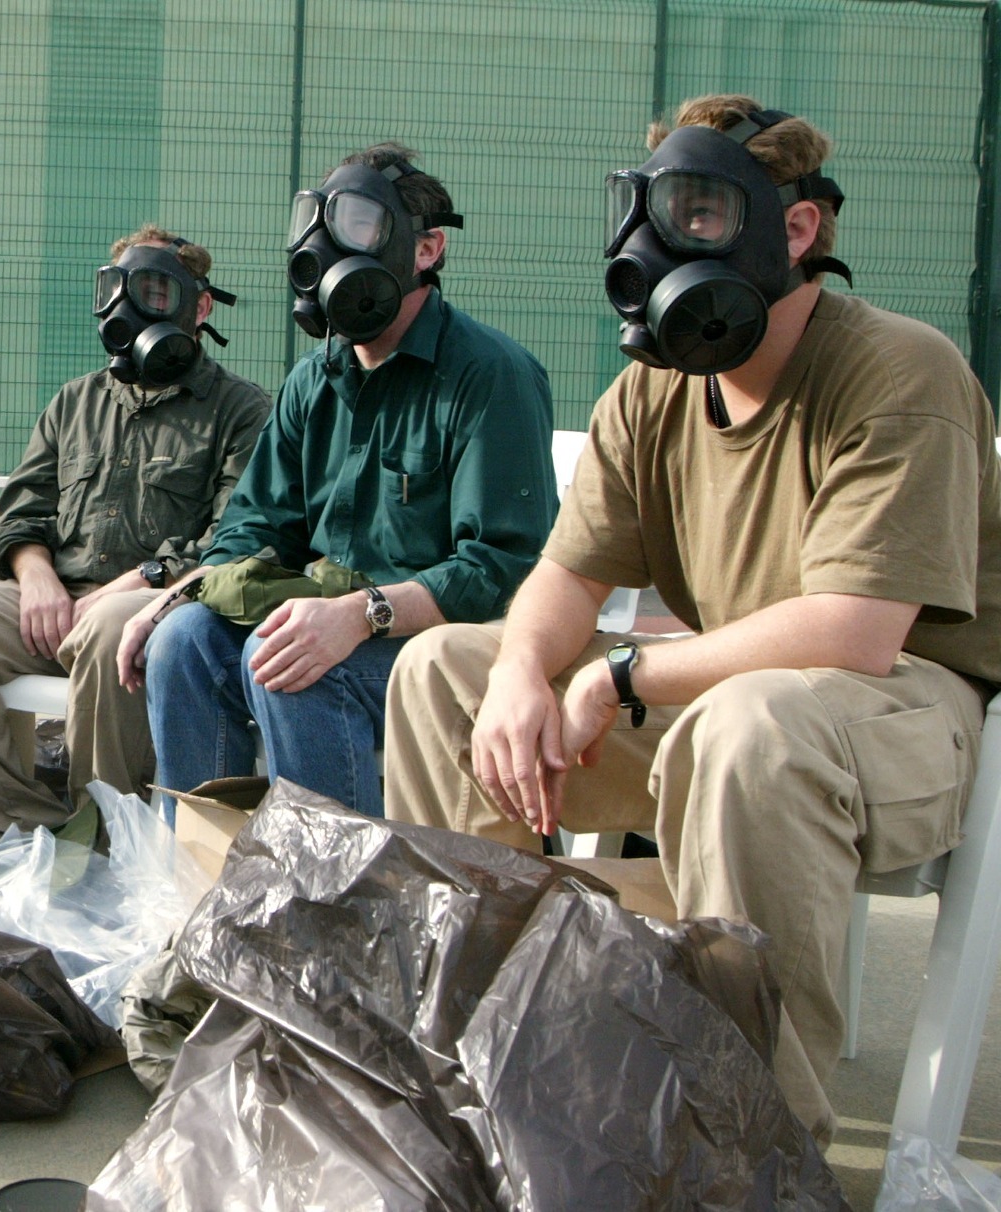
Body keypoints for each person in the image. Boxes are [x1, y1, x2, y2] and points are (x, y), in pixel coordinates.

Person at [382, 95, 1001, 1145]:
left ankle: (747, 1143)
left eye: (700, 214)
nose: (658, 245)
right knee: (446, 669)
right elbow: (564, 579)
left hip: (904, 710)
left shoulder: (899, 369)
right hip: (727, 689)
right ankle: (477, 1064)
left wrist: (616, 679)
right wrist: (530, 671)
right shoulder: (650, 392)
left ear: (793, 231)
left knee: (747, 728)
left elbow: (855, 633)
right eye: (647, 212)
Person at [120, 144, 556, 816]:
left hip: (444, 643)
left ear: (427, 249)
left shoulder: (490, 374)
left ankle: (338, 902)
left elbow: (503, 566)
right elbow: (257, 524)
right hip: (333, 614)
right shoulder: (313, 380)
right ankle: (199, 883)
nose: (329, 249)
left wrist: (362, 615)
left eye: (360, 225)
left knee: (294, 663)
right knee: (185, 642)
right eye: (319, 226)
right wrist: (178, 595)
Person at [0, 225, 269, 844]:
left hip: (157, 603)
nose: (128, 309)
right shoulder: (74, 401)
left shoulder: (242, 411)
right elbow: (21, 510)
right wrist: (35, 579)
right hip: (54, 602)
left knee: (113, 629)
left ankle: (107, 840)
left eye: (155, 293)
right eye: (114, 290)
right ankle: (33, 832)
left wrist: (130, 587)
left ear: (200, 307)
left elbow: (234, 539)